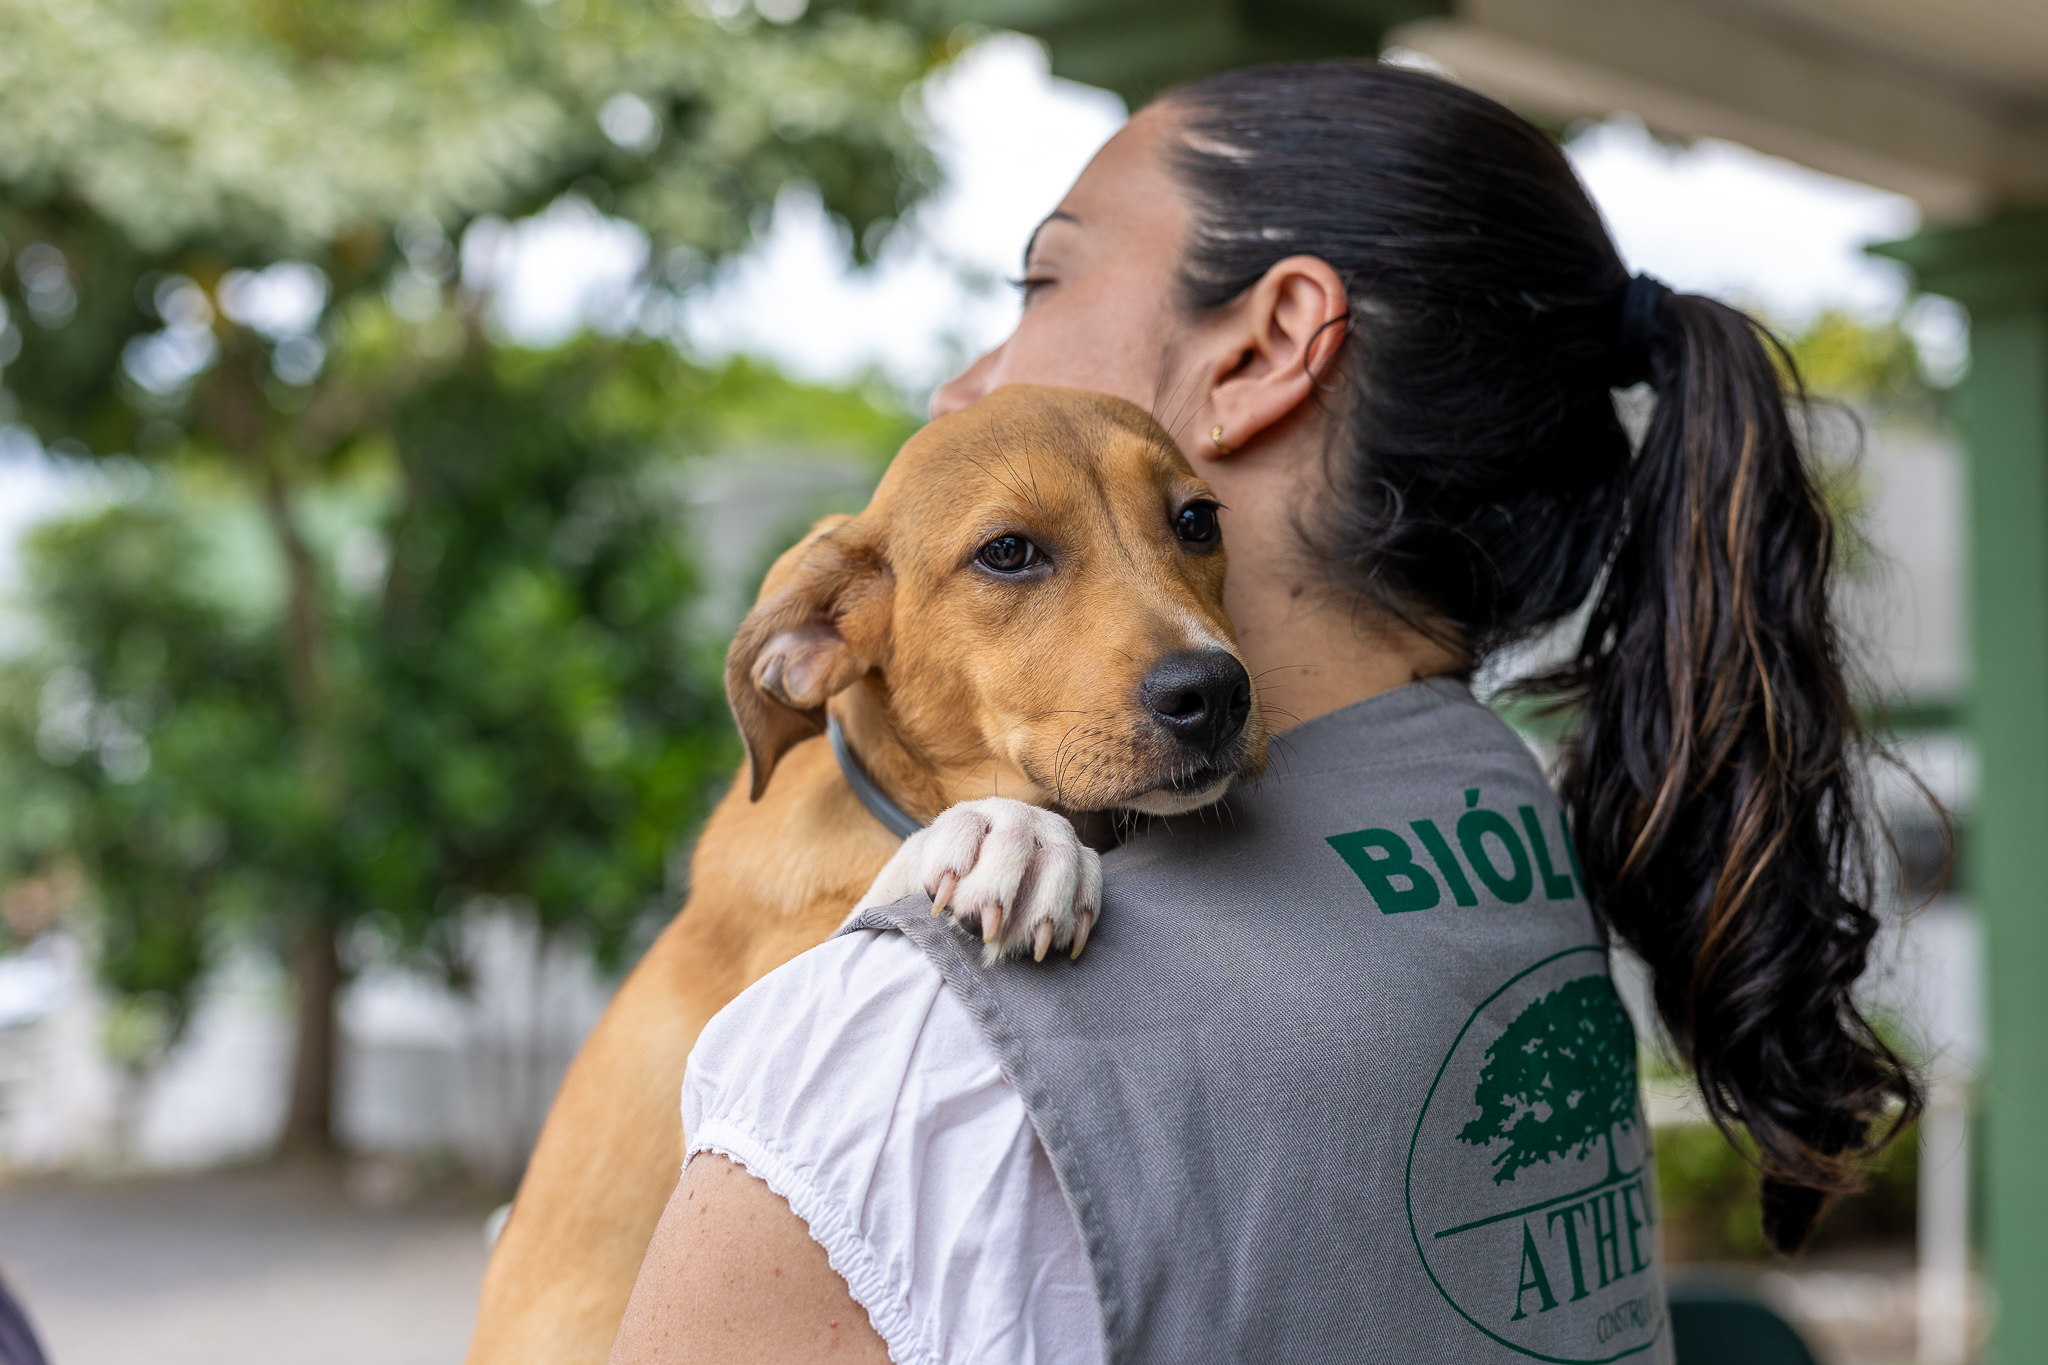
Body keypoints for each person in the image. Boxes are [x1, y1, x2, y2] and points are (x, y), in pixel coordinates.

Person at [608, 60, 1918, 1365]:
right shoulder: (1520, 838)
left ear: (1268, 346)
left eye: (1042, 284)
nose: (966, 387)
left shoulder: (917, 1045)